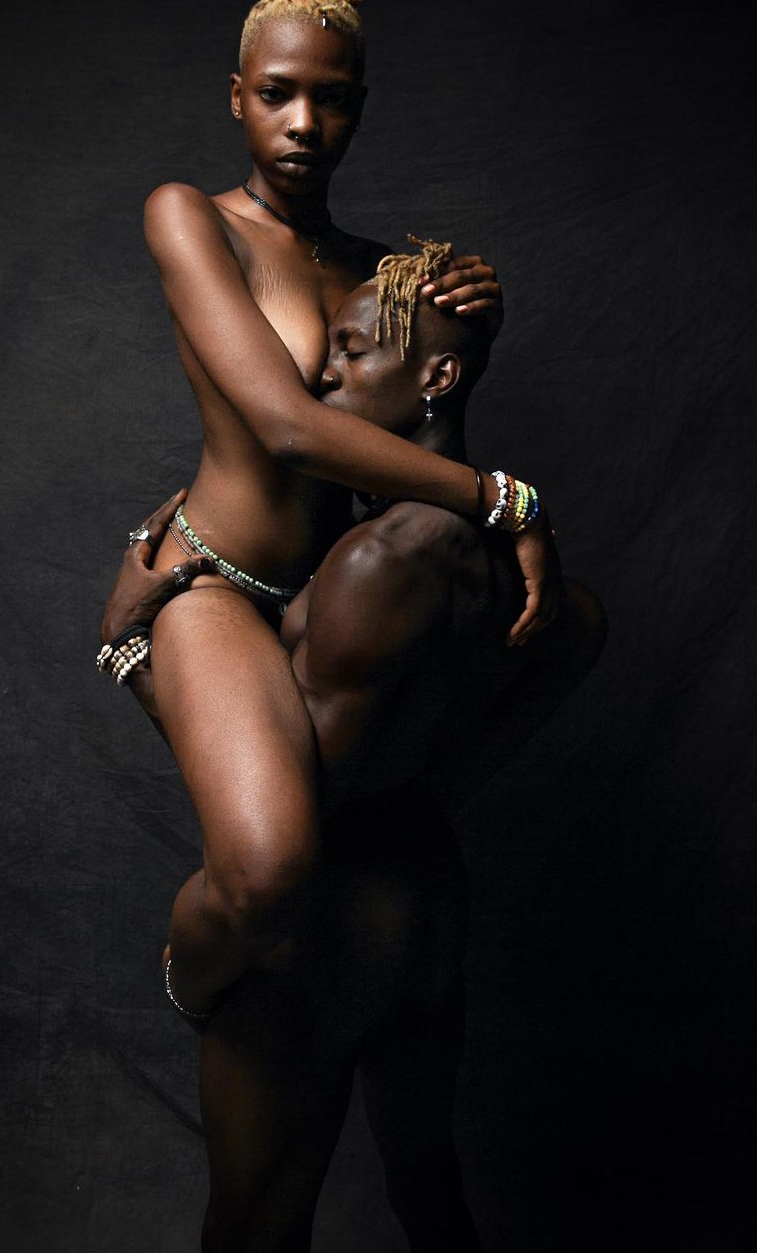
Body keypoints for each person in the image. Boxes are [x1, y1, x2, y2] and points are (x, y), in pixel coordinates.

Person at [101, 240, 606, 1252]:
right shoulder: (526, 575)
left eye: (353, 353)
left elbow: (296, 798)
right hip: (430, 899)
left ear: (438, 377)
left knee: (255, 1226)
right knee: (431, 1196)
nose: (323, 377)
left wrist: (130, 650)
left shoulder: (379, 562)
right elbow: (561, 660)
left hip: (328, 927)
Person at [127, 0, 561, 1028]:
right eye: (277, 93)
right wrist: (501, 500)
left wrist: (473, 333)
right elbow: (286, 427)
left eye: (332, 99)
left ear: (359, 109)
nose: (304, 123)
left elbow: (411, 419)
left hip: (328, 603)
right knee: (270, 871)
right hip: (215, 586)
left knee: (374, 852)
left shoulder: (380, 273)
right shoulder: (191, 218)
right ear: (237, 97)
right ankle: (193, 985)